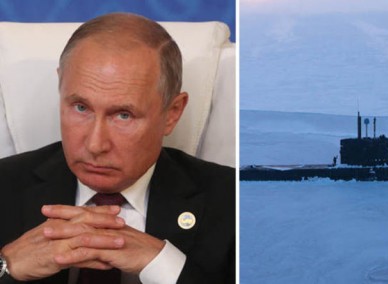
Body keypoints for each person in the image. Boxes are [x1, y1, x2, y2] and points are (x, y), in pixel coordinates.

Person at [0, 12, 235, 284]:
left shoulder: (232, 202)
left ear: (172, 112)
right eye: (81, 107)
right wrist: (4, 266)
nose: (95, 144)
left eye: (123, 115)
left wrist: (163, 265)